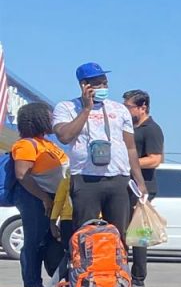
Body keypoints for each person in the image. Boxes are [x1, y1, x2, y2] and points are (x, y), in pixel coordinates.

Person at [51, 62, 148, 254]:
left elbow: (130, 148)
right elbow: (65, 136)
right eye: (97, 84)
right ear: (84, 85)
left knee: (118, 236)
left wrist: (139, 181)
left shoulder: (119, 110)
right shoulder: (67, 107)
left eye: (105, 83)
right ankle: (85, 277)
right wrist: (86, 109)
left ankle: (116, 278)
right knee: (85, 234)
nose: (103, 87)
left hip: (118, 179)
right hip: (86, 179)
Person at [9, 103, 71, 287]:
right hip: (34, 198)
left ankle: (56, 281)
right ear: (37, 119)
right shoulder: (26, 144)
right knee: (34, 241)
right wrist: (44, 198)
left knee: (50, 240)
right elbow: (22, 175)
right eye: (48, 115)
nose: (52, 118)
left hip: (50, 197)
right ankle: (32, 285)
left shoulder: (48, 144)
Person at [122, 90, 164, 287]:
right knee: (121, 232)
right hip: (123, 186)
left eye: (128, 106)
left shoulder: (151, 129)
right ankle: (120, 274)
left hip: (142, 188)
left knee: (138, 235)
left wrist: (129, 163)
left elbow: (155, 159)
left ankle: (138, 280)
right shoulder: (127, 128)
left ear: (142, 107)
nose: (125, 110)